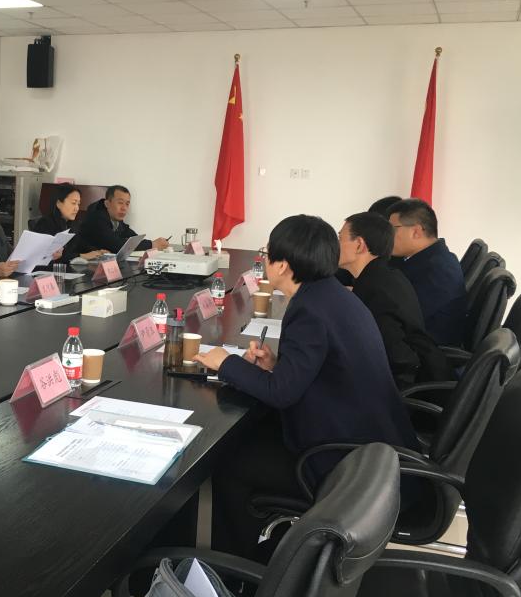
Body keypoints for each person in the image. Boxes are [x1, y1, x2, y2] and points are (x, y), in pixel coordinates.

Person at [194, 215, 417, 557]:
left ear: (282, 265)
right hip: (370, 443)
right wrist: (276, 366)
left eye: (267, 254)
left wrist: (226, 362)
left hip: (345, 459)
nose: (265, 260)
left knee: (231, 467)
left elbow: (282, 393)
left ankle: (238, 571)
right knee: (249, 440)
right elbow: (320, 371)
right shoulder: (329, 295)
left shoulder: (309, 310)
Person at [338, 212, 451, 388]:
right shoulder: (384, 276)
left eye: (340, 238)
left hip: (399, 388)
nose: (334, 245)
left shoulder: (375, 292)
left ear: (359, 245)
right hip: (418, 371)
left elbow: (397, 361)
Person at [387, 198, 467, 347]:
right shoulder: (428, 257)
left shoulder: (438, 271)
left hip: (423, 351)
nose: (387, 236)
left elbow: (400, 315)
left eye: (392, 230)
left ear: (416, 232)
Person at [79, 185, 170, 254]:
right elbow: (117, 245)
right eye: (120, 202)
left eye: (127, 204)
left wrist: (153, 243)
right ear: (107, 204)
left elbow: (132, 237)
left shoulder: (115, 219)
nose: (124, 208)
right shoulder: (97, 218)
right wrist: (152, 244)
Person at [31, 183, 108, 263]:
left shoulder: (72, 223)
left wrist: (97, 252)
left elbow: (80, 244)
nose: (77, 208)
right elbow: (52, 256)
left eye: (78, 204)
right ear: (59, 204)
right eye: (73, 203)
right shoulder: (45, 224)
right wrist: (82, 256)